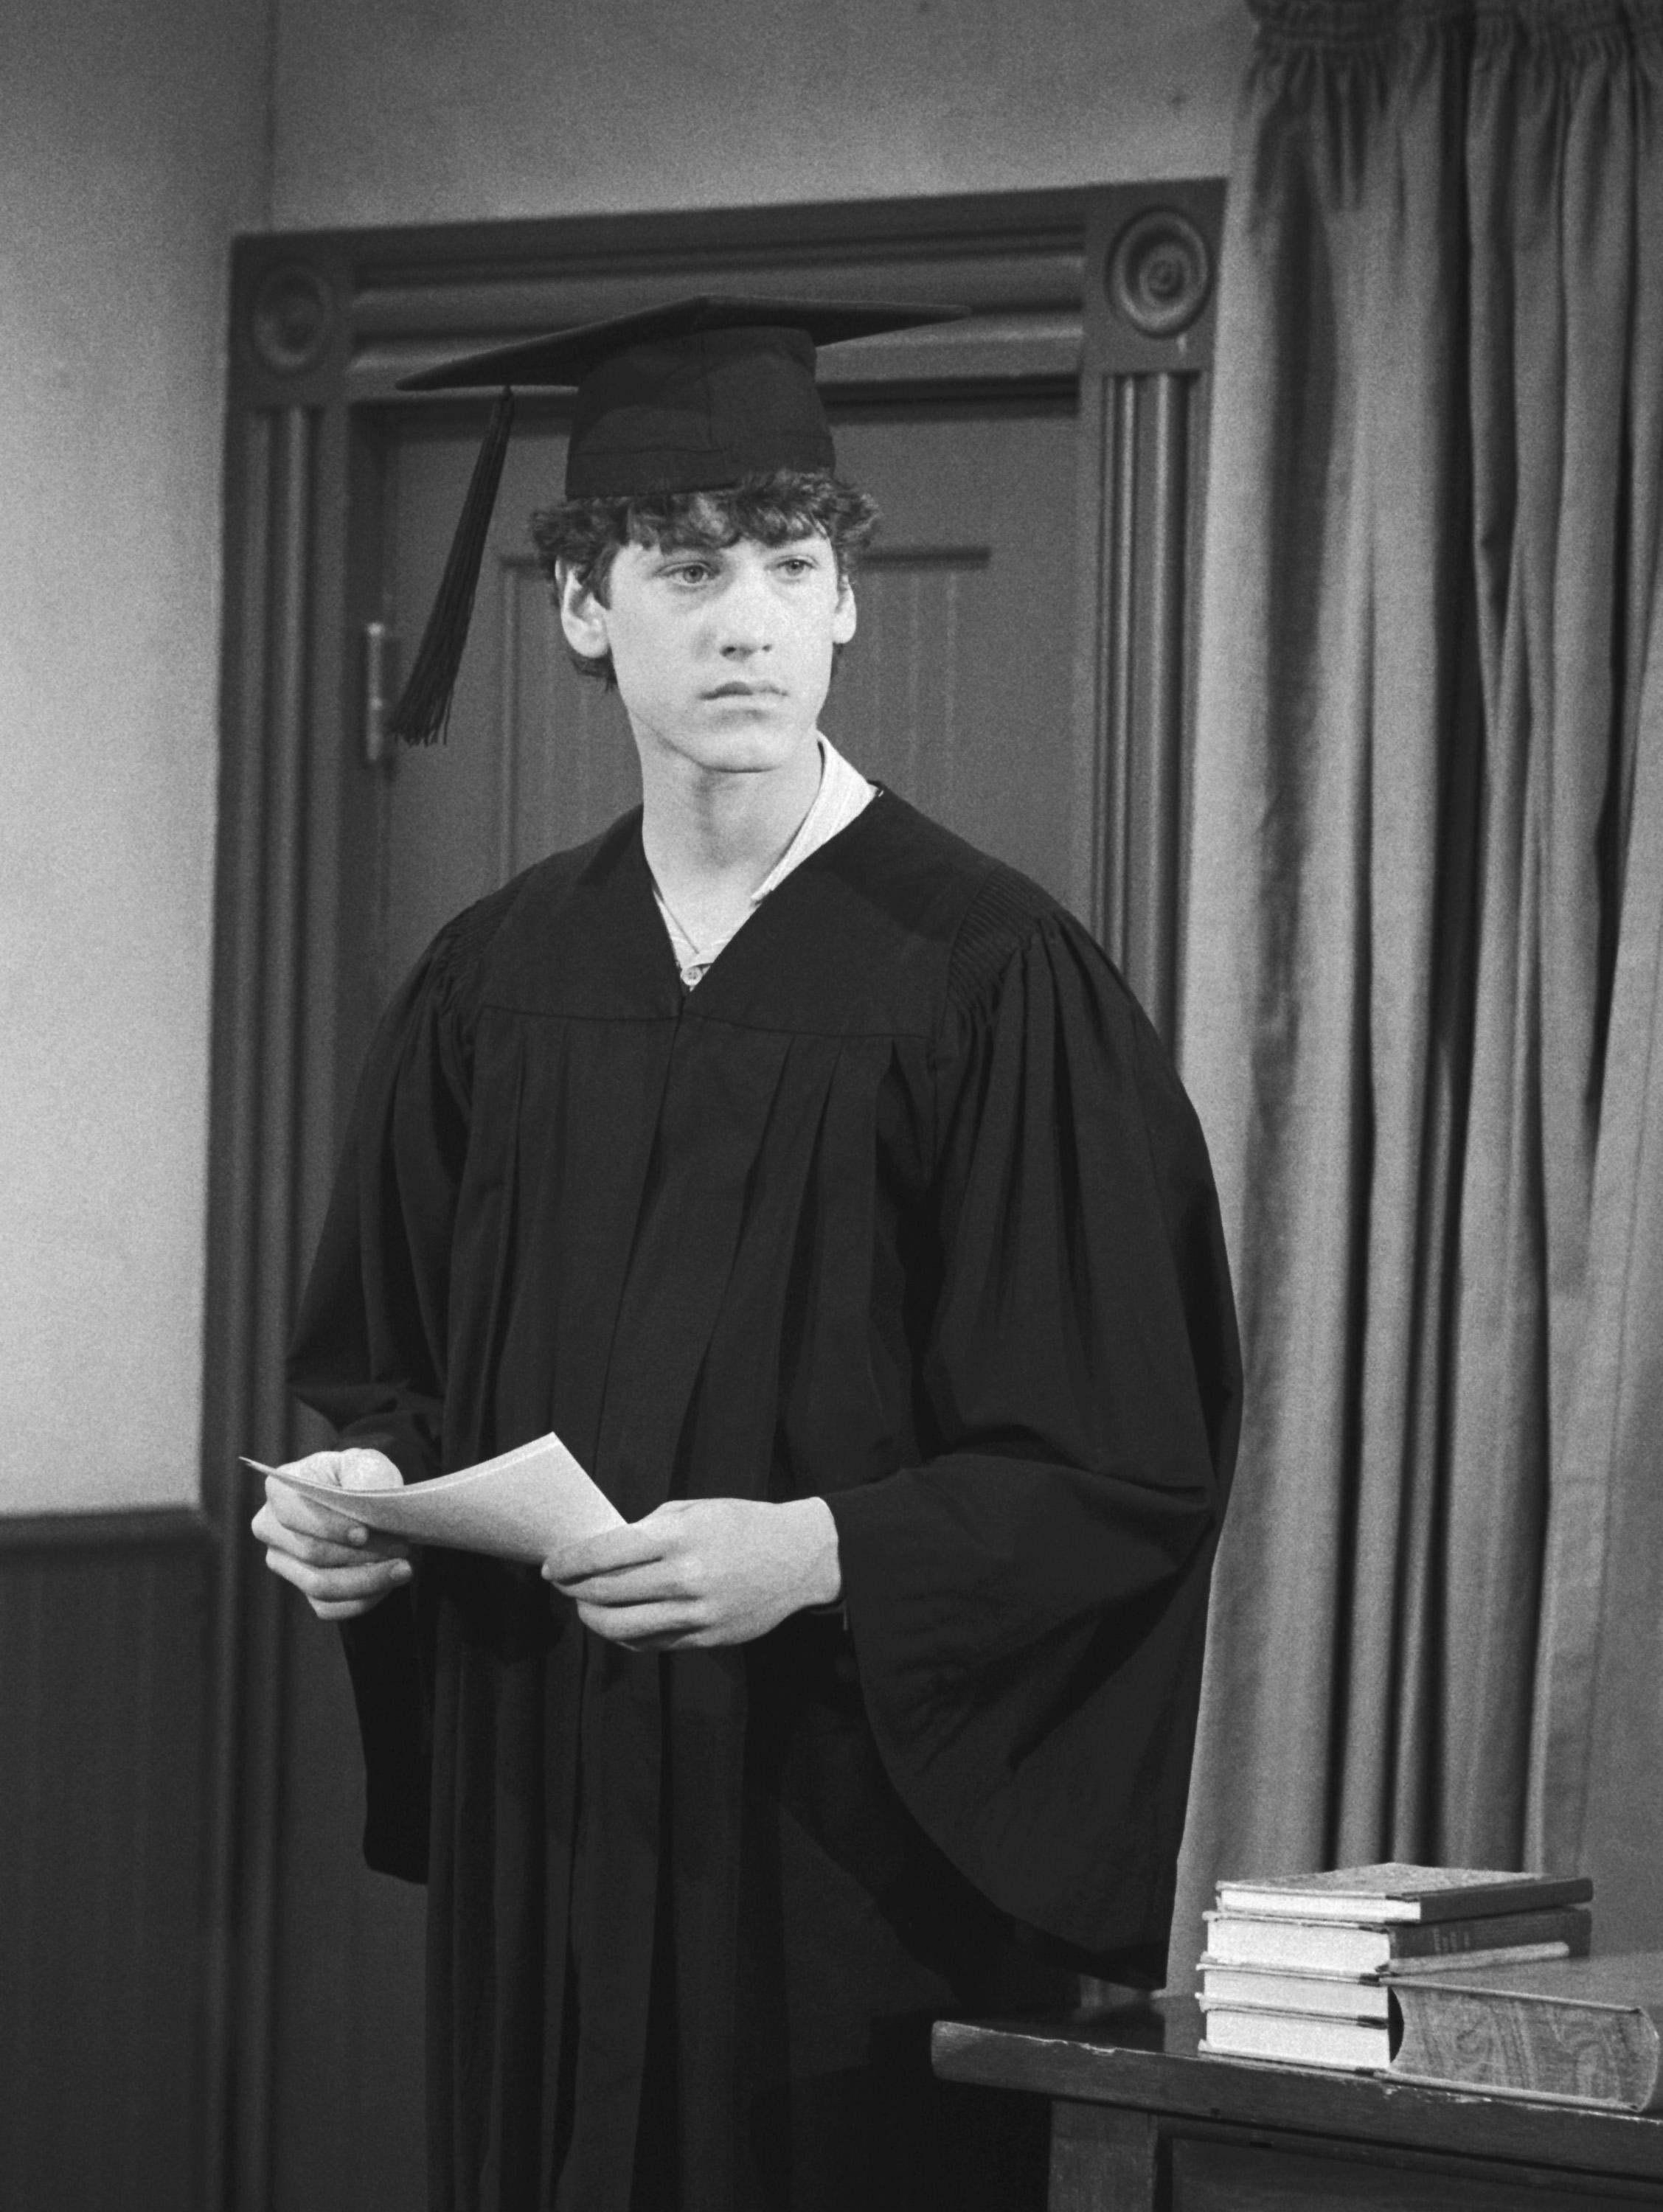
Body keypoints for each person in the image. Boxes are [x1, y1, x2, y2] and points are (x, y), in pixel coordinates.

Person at [252, 298, 1242, 2212]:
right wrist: (361, 1494)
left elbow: (1128, 1465)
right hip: (553, 1836)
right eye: (687, 567)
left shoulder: (989, 980)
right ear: (582, 609)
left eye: (793, 565)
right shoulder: (495, 984)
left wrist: (824, 1549)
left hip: (848, 1865)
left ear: (850, 605)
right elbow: (386, 1369)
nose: (749, 619)